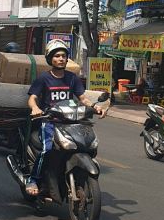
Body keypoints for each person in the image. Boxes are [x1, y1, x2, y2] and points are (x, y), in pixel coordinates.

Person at [26, 39, 105, 196]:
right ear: (50, 59)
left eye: (63, 56)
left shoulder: (72, 78)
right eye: (57, 56)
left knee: (86, 145)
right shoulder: (44, 78)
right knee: (46, 150)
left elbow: (83, 98)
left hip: (70, 121)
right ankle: (33, 179)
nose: (61, 59)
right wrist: (35, 108)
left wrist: (95, 107)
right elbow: (32, 98)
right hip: (49, 121)